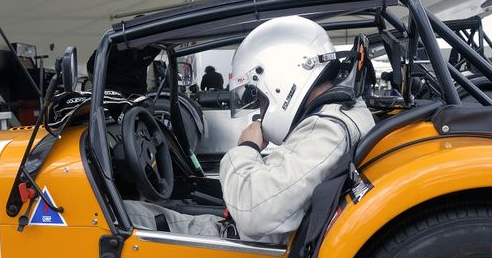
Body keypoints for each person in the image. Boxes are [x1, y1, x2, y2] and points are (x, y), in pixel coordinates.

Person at [125, 16, 375, 244]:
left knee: (121, 219)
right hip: (259, 239)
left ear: (280, 81)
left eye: (261, 98)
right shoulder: (338, 116)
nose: (261, 110)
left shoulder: (328, 130)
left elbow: (253, 210)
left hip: (246, 249)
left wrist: (247, 148)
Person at [86, 44, 160, 97]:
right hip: (113, 95)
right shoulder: (114, 46)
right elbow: (91, 68)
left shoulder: (153, 48)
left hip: (138, 95)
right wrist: (100, 90)